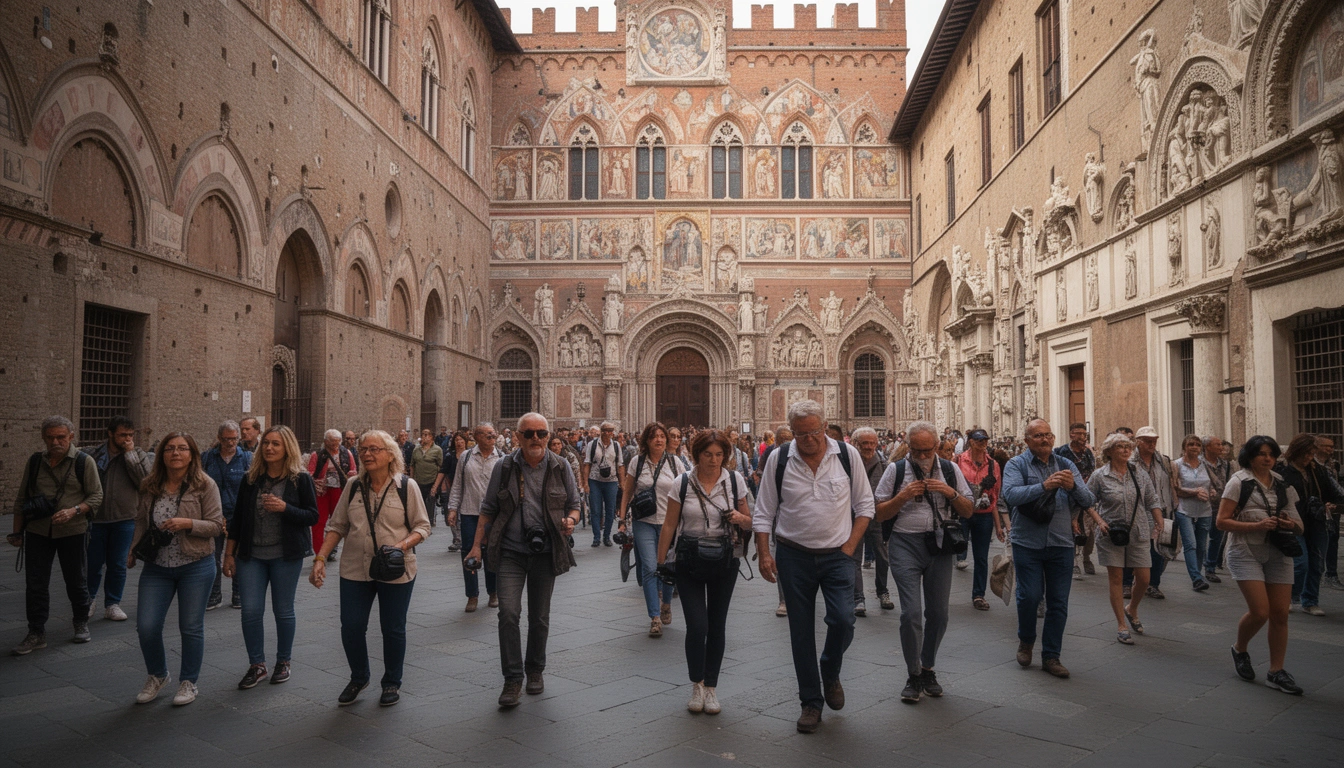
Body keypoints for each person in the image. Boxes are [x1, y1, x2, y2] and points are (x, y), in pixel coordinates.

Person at [753, 400, 873, 734]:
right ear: (792, 432)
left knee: (844, 619)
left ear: (825, 426)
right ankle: (810, 701)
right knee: (801, 631)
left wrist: (850, 547)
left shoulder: (846, 456)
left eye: (815, 432)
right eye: (801, 434)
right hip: (794, 555)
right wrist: (765, 553)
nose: (809, 439)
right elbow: (763, 511)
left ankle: (830, 668)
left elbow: (865, 506)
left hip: (838, 555)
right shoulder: (779, 459)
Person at [311, 430, 431, 707]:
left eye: (374, 449)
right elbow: (337, 525)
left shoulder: (406, 486)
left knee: (392, 628)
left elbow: (422, 527)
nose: (366, 454)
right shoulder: (353, 485)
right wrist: (320, 559)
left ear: (391, 454)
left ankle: (391, 682)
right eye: (363, 449)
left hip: (395, 567)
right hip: (355, 567)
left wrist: (401, 545)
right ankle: (359, 676)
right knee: (351, 626)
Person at [470, 413, 581, 708]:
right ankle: (512, 677)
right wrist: (475, 546)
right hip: (510, 551)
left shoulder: (560, 466)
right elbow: (488, 507)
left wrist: (570, 519)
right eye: (529, 433)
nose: (535, 439)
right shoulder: (504, 467)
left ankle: (535, 670)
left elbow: (574, 503)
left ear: (548, 436)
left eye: (541, 433)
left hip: (546, 552)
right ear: (517, 436)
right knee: (507, 612)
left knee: (540, 617)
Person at [874, 421, 974, 703]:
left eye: (926, 450)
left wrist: (947, 492)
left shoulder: (951, 471)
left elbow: (968, 510)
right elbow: (879, 513)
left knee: (939, 614)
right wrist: (903, 496)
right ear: (908, 446)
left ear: (938, 446)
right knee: (911, 614)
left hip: (940, 545)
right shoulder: (896, 470)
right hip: (905, 544)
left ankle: (928, 666)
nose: (921, 456)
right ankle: (913, 673)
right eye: (915, 451)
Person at [657, 429, 752, 715]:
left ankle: (711, 688)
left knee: (717, 625)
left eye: (719, 454)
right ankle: (696, 684)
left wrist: (739, 517)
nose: (714, 460)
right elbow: (670, 525)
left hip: (725, 560)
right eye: (708, 454)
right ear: (697, 454)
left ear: (726, 455)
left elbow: (751, 521)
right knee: (698, 626)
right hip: (689, 559)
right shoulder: (682, 482)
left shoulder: (735, 481)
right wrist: (660, 563)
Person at [129, 432, 224, 706]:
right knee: (146, 626)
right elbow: (140, 521)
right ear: (161, 455)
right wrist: (132, 550)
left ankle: (189, 682)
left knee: (190, 627)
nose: (175, 453)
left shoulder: (205, 485)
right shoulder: (150, 485)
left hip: (195, 564)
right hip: (157, 566)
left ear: (192, 455)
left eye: (182, 449)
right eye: (170, 448)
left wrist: (187, 523)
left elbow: (216, 526)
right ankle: (158, 675)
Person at [223, 425, 319, 689]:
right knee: (251, 611)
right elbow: (238, 519)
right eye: (266, 443)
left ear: (287, 447)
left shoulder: (300, 479)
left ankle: (283, 661)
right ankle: (257, 664)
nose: (269, 448)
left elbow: (312, 515)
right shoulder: (250, 479)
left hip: (285, 555)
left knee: (283, 610)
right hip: (251, 555)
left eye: (276, 444)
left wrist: (285, 508)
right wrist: (228, 554)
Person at [1001, 419, 1095, 678]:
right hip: (1027, 541)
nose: (1045, 439)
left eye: (1048, 435)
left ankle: (1052, 656)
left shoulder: (1066, 465)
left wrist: (1073, 485)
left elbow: (1088, 500)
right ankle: (1027, 639)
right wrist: (1044, 485)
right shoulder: (1016, 464)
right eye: (1038, 435)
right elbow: (1010, 495)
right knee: (1029, 596)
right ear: (1027, 440)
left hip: (1061, 542)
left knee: (1058, 602)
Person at [8, 416, 103, 655]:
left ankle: (80, 622)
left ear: (71, 436)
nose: (55, 441)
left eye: (61, 437)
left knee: (76, 579)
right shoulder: (35, 462)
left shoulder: (84, 462)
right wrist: (16, 531)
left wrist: (74, 511)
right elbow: (22, 499)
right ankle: (36, 631)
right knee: (36, 583)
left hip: (73, 530)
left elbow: (96, 496)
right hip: (38, 530)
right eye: (50, 437)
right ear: (43, 438)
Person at [1219, 436, 1305, 694]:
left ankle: (1276, 671)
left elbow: (1300, 525)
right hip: (1244, 550)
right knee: (1260, 612)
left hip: (1278, 551)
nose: (1267, 458)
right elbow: (1221, 522)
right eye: (1261, 454)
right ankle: (1239, 648)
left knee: (1280, 613)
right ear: (1250, 456)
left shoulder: (1283, 484)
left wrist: (1290, 524)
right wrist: (1255, 526)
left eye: (1272, 454)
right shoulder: (1238, 483)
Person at [1086, 433, 1163, 645]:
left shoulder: (1138, 472)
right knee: (1117, 579)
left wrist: (1159, 521)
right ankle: (1121, 625)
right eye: (1119, 447)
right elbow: (1087, 501)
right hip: (1111, 533)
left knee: (1144, 578)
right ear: (1109, 451)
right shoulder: (1099, 476)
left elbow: (1151, 498)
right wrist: (1099, 521)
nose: (1125, 450)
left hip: (1138, 530)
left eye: (1127, 446)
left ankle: (1132, 608)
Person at [618, 422, 691, 636]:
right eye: (654, 436)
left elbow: (686, 490)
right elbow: (627, 491)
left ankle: (666, 602)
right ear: (646, 441)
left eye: (662, 436)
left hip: (670, 523)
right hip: (644, 522)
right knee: (650, 568)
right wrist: (622, 520)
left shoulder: (675, 462)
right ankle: (655, 617)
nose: (658, 440)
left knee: (667, 566)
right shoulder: (636, 462)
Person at [87, 415, 153, 622]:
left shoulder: (138, 454)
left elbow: (145, 482)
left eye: (130, 435)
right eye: (122, 435)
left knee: (117, 564)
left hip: (124, 518)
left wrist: (130, 455)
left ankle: (113, 603)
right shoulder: (95, 454)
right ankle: (88, 600)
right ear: (110, 434)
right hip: (96, 519)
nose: (127, 439)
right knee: (92, 563)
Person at [1280, 434, 1344, 616]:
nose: (1309, 458)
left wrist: (1331, 503)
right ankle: (1290, 597)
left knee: (1317, 564)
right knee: (1301, 563)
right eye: (1306, 454)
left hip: (1317, 522)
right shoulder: (1283, 471)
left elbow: (1335, 492)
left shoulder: (1319, 471)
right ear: (1296, 451)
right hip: (1293, 522)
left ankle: (1310, 601)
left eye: (1311, 454)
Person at [446, 424, 503, 610]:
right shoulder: (466, 456)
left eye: (493, 434)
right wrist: (453, 508)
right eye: (488, 434)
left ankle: (493, 592)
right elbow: (457, 485)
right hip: (470, 512)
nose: (492, 436)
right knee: (469, 551)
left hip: (493, 514)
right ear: (477, 437)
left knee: (491, 552)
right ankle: (472, 595)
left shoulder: (502, 457)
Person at [202, 421, 253, 610]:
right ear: (219, 438)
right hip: (213, 514)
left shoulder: (247, 458)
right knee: (212, 555)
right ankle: (214, 594)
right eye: (226, 439)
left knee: (238, 554)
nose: (230, 443)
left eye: (234, 439)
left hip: (238, 514)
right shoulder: (208, 458)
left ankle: (238, 593)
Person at [1123, 427, 1175, 600]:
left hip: (1159, 509)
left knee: (1159, 548)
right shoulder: (1129, 461)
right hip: (1136, 511)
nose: (1152, 444)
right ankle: (1126, 583)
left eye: (1154, 441)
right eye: (1147, 441)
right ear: (1138, 442)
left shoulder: (1163, 461)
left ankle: (1153, 584)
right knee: (1132, 547)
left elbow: (1170, 484)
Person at [956, 428, 1004, 610]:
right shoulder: (959, 460)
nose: (983, 443)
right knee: (951, 551)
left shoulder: (993, 465)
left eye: (985, 440)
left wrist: (998, 526)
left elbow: (995, 496)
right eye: (979, 440)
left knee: (981, 557)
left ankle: (979, 595)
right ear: (971, 441)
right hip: (962, 513)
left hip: (983, 516)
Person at [851, 428, 892, 614]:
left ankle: (882, 591)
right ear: (857, 444)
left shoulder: (884, 464)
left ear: (877, 444)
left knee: (883, 557)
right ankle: (858, 597)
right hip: (855, 517)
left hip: (877, 518)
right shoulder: (850, 462)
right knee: (854, 557)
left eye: (871, 443)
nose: (868, 447)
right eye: (864, 443)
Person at [1173, 434, 1217, 591]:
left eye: (1197, 445)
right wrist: (1194, 492)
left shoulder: (1205, 465)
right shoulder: (1177, 464)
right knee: (1190, 544)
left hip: (1205, 510)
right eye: (1191, 444)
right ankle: (1196, 578)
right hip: (1184, 509)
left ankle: (1198, 575)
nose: (1194, 447)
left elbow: (1211, 483)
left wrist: (1211, 491)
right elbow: (1175, 488)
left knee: (1200, 546)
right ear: (1184, 447)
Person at [1055, 423, 1097, 577]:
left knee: (1088, 529)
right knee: (1071, 528)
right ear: (1071, 434)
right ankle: (1073, 563)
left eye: (1084, 433)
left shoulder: (1088, 453)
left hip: (1085, 495)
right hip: (1068, 496)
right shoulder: (1061, 452)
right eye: (1078, 433)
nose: (1082, 437)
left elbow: (1093, 470)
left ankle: (1086, 557)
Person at [307, 430, 357, 556]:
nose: (335, 445)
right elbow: (310, 473)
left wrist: (351, 474)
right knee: (319, 522)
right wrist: (318, 480)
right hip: (322, 492)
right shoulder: (317, 455)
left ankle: (334, 548)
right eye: (332, 442)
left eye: (337, 442)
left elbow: (353, 469)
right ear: (325, 442)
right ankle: (319, 552)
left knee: (341, 520)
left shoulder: (347, 453)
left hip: (339, 490)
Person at [582, 422, 626, 547]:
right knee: (596, 510)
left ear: (613, 432)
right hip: (595, 480)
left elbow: (620, 465)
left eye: (610, 430)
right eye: (605, 430)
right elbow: (587, 464)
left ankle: (606, 537)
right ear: (601, 431)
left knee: (610, 510)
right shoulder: (593, 444)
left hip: (611, 481)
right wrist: (585, 483)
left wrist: (622, 483)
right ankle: (596, 537)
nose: (607, 433)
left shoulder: (616, 446)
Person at [431, 431, 468, 552]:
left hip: (468, 487)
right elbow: (443, 471)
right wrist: (435, 487)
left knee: (466, 513)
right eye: (457, 440)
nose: (459, 442)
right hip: (453, 487)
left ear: (465, 441)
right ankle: (457, 539)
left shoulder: (470, 454)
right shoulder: (449, 455)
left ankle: (466, 538)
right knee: (452, 511)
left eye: (461, 440)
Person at [1203, 436, 1234, 580]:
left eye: (1221, 444)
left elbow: (1231, 482)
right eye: (1217, 444)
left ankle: (1210, 567)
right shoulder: (1199, 463)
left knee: (1217, 538)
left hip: (1220, 505)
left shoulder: (1226, 465)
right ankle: (1199, 565)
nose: (1221, 447)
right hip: (1202, 505)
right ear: (1207, 447)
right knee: (1201, 537)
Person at [1316, 436, 1343, 590]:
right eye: (1327, 446)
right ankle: (1317, 573)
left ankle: (1331, 574)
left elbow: (1336, 485)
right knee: (1318, 540)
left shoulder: (1333, 464)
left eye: (1332, 447)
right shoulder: (1311, 464)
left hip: (1333, 507)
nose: (1330, 450)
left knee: (1333, 538)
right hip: (1318, 507)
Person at [410, 429, 444, 527]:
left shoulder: (437, 450)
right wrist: (412, 479)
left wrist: (436, 484)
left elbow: (441, 466)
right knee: (419, 503)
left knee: (430, 502)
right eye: (423, 434)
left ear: (431, 437)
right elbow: (412, 465)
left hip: (431, 480)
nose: (424, 437)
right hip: (419, 481)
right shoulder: (416, 449)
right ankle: (420, 521)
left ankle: (429, 521)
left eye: (426, 435)